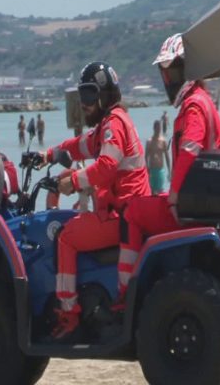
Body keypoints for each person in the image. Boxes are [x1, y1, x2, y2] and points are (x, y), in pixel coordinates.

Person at [40, 62, 150, 339]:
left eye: (88, 96)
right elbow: (80, 146)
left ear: (103, 95)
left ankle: (68, 312)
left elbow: (105, 167)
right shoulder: (110, 124)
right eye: (81, 96)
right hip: (124, 211)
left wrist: (72, 182)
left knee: (65, 237)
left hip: (123, 214)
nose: (84, 104)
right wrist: (49, 154)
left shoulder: (113, 124)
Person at [115, 33, 220, 305]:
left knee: (131, 213)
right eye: (165, 73)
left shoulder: (194, 105)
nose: (168, 80)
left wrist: (174, 195)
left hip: (192, 206)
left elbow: (189, 150)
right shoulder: (205, 101)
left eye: (172, 71)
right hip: (207, 200)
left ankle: (125, 295)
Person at [145, 120, 170, 195]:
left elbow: (167, 156)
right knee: (152, 192)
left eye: (159, 128)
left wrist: (169, 170)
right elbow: (146, 156)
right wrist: (147, 169)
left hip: (160, 170)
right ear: (154, 128)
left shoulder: (163, 141)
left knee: (160, 192)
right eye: (157, 128)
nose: (158, 130)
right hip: (151, 170)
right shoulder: (149, 141)